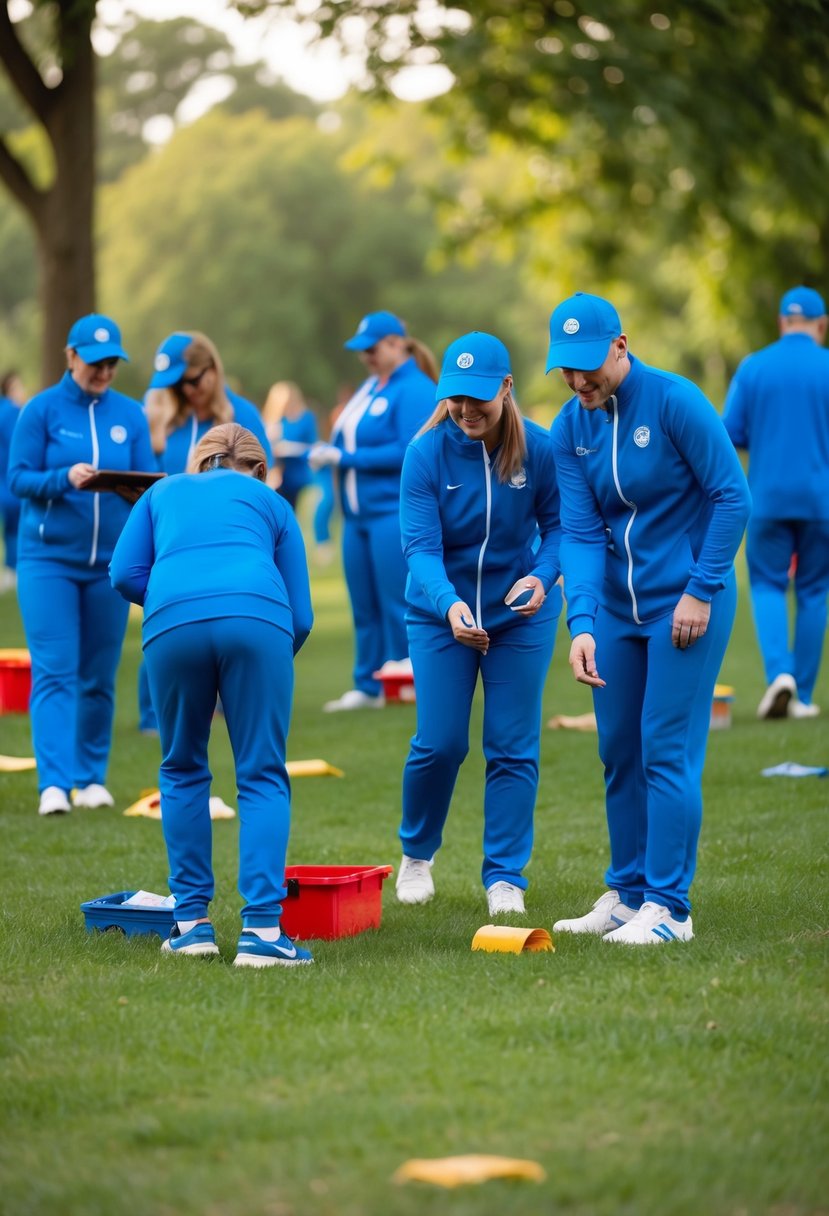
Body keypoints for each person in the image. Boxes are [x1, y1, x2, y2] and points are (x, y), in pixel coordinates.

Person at [547, 292, 750, 945]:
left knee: (664, 749)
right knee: (617, 750)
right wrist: (580, 622)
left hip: (684, 606)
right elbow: (577, 533)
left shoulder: (673, 401)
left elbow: (730, 496)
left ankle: (669, 909)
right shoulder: (569, 426)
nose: (579, 381)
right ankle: (628, 895)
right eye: (566, 370)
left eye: (589, 366)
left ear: (620, 346)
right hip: (614, 610)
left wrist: (700, 588)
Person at [109, 423, 314, 966]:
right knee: (262, 773)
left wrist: (171, 601)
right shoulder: (271, 502)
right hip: (258, 620)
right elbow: (303, 615)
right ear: (258, 469)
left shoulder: (161, 491)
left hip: (171, 622)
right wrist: (265, 666)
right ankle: (264, 934)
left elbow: (123, 573)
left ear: (198, 463)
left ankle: (192, 926)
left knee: (180, 768)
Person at [395, 332, 562, 916]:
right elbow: (419, 547)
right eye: (455, 398)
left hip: (520, 617)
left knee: (513, 746)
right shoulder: (425, 453)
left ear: (507, 389)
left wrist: (543, 578)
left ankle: (505, 878)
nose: (466, 410)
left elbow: (564, 530)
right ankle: (417, 853)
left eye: (478, 399)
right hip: (440, 615)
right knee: (440, 742)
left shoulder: (539, 449)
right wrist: (449, 605)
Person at [8, 314, 155, 815]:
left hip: (108, 565)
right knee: (55, 669)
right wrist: (61, 479)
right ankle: (54, 783)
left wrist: (131, 487)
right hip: (47, 560)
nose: (104, 371)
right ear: (72, 357)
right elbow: (18, 479)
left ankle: (91, 777)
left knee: (98, 673)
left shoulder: (131, 414)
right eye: (95, 362)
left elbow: (144, 487)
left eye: (112, 362)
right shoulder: (41, 410)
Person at [137, 330, 273, 733]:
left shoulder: (241, 415)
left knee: (226, 618)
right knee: (164, 615)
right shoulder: (166, 420)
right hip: (173, 544)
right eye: (179, 384)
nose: (188, 390)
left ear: (213, 371)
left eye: (193, 380)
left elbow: (262, 484)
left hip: (229, 545)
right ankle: (156, 711)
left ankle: (231, 701)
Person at [308, 310, 437, 712]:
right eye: (362, 351)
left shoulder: (414, 387)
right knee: (363, 604)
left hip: (390, 512)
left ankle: (404, 682)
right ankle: (367, 683)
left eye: (373, 348)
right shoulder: (370, 386)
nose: (366, 356)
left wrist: (345, 457)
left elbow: (410, 449)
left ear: (397, 343)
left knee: (396, 602)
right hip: (357, 517)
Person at [723, 286, 829, 720]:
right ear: (821, 325)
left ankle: (779, 676)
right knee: (814, 590)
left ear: (782, 322)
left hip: (765, 496)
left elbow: (730, 433)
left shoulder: (754, 367)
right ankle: (801, 695)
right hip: (821, 501)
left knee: (767, 583)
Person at [262, 380, 317, 510]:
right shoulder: (271, 420)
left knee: (289, 509)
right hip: (274, 471)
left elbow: (312, 444)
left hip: (295, 472)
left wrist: (291, 448)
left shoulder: (305, 418)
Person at [0, 370, 26, 592]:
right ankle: (14, 569)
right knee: (16, 526)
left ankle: (10, 569)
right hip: (11, 479)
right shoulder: (13, 412)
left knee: (10, 527)